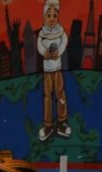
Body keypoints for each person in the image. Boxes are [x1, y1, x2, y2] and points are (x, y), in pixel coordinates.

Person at [38, 0, 71, 141]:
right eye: (48, 15)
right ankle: (48, 125)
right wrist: (45, 53)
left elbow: (64, 43)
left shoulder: (61, 32)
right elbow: (40, 47)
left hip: (57, 69)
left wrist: (58, 51)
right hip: (47, 70)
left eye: (54, 15)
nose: (51, 19)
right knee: (47, 96)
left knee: (60, 94)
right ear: (44, 16)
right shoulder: (42, 34)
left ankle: (62, 122)